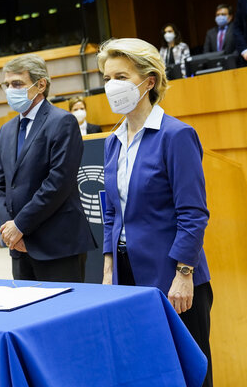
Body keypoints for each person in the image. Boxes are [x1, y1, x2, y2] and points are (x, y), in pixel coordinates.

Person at [98, 38, 213, 387]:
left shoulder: (176, 135)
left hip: (174, 276)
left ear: (148, 81)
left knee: (190, 371)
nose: (111, 86)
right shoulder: (112, 140)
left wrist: (183, 273)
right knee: (145, 369)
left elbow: (193, 213)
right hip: (127, 273)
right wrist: (108, 269)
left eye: (120, 75)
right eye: (106, 77)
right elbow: (110, 213)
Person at [0, 54, 96, 282]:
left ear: (41, 84)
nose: (10, 90)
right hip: (18, 246)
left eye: (17, 84)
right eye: (7, 84)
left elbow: (58, 183)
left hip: (56, 245)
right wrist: (9, 231)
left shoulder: (62, 122)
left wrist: (20, 225)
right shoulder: (7, 130)